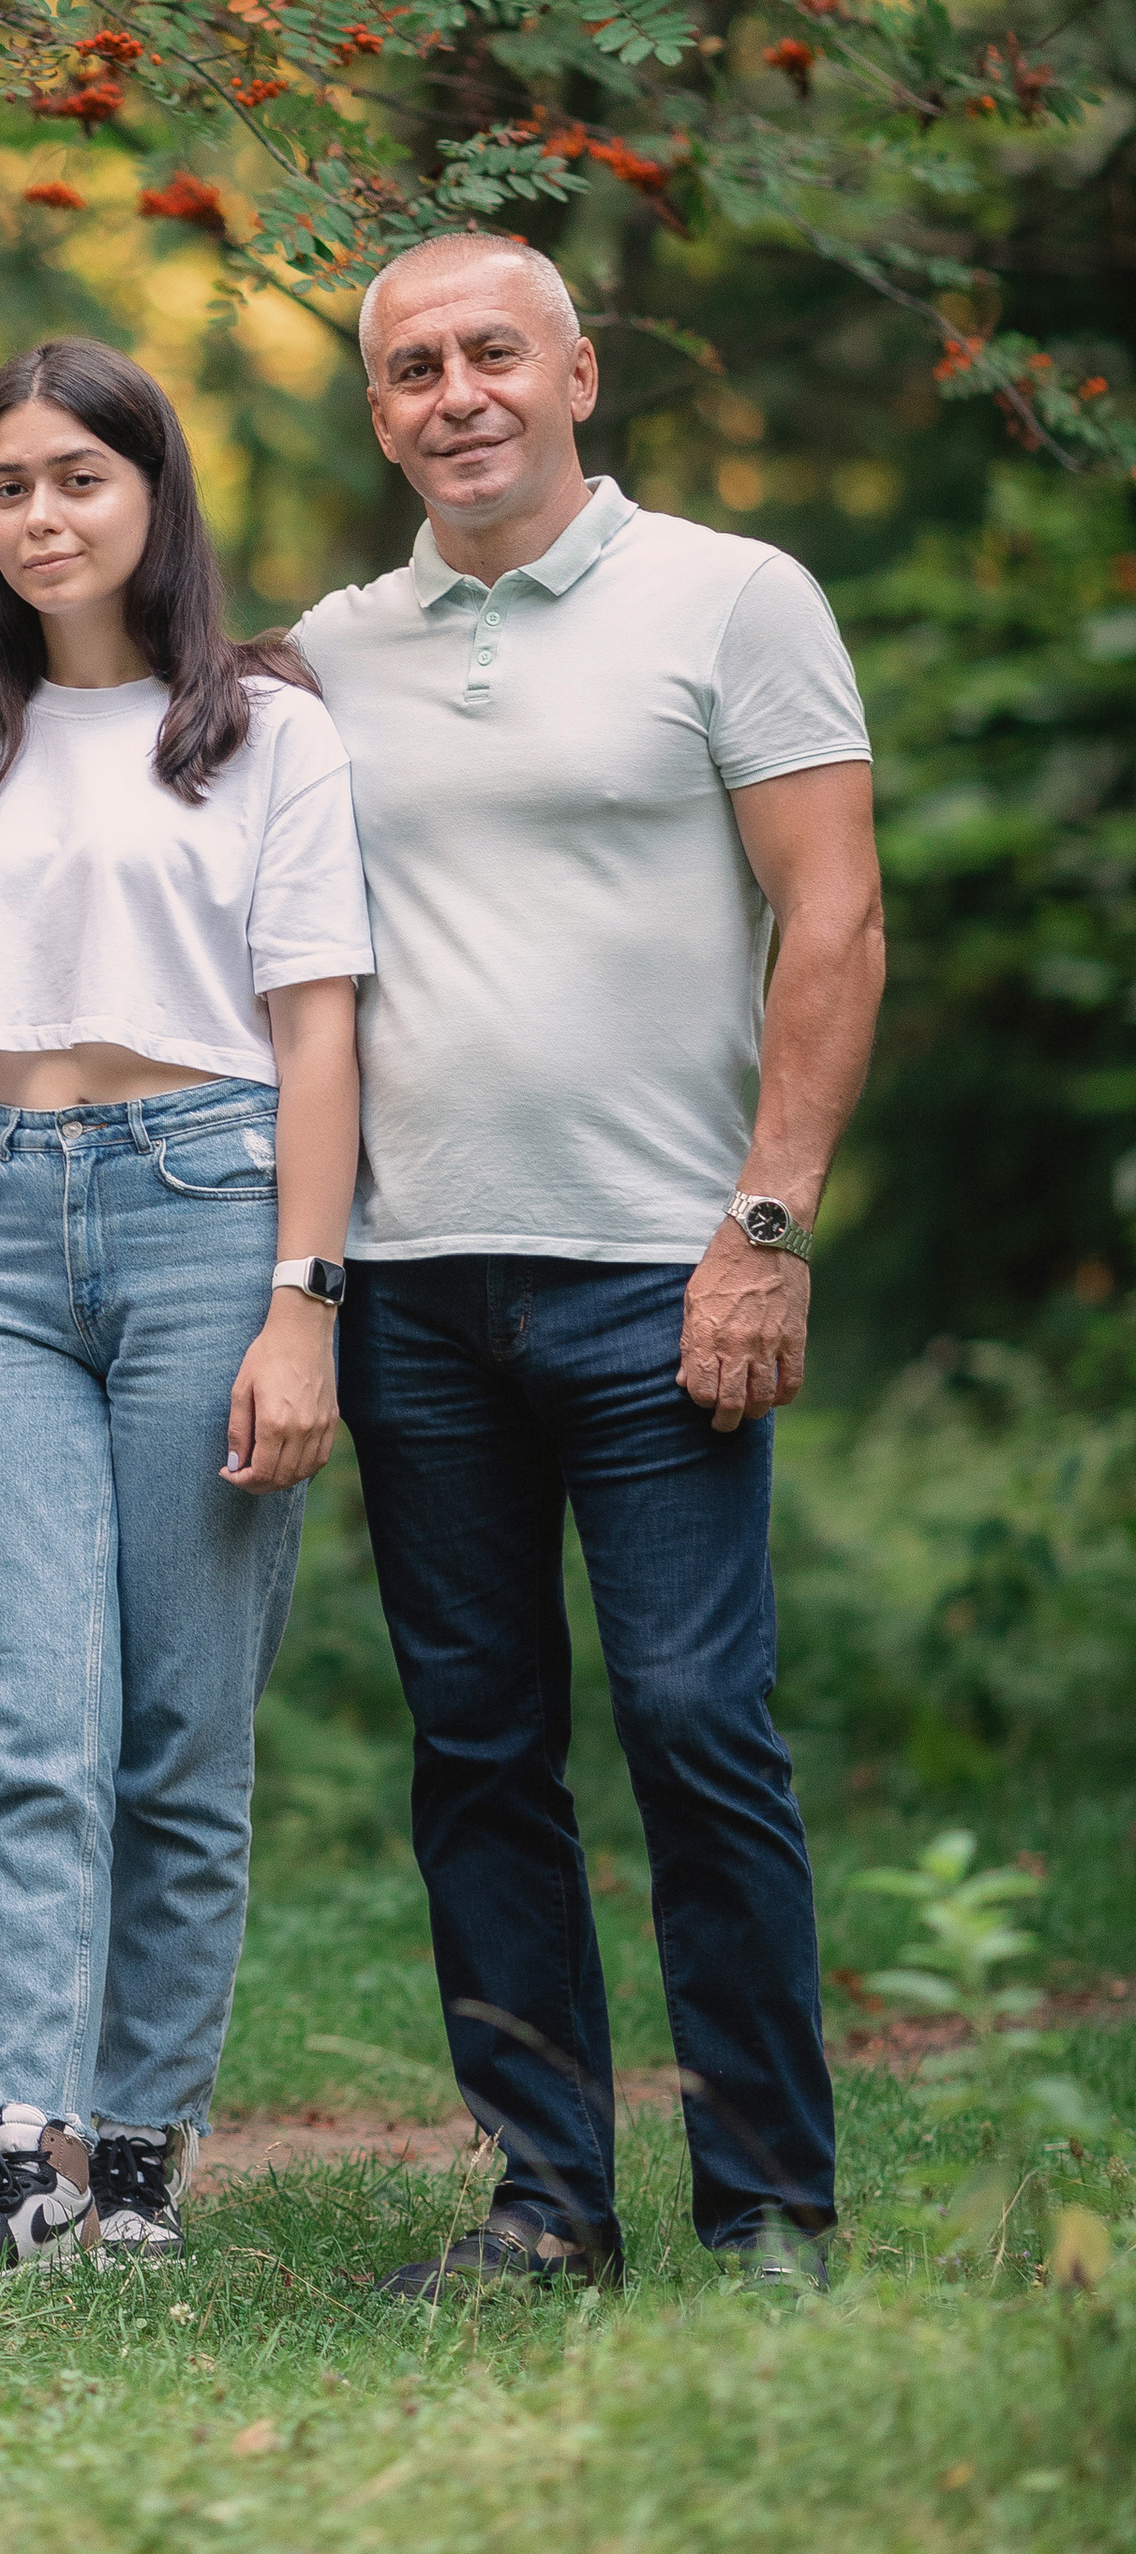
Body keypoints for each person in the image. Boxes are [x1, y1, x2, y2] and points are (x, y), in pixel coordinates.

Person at [298, 232, 883, 2294]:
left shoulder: (729, 598)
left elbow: (830, 917)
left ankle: (766, 2208)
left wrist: (766, 1227)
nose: (448, 395)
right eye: (405, 370)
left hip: (659, 1270)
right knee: (472, 1750)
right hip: (411, 1287)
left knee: (694, 1722)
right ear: (373, 410)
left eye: (485, 356)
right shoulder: (326, 650)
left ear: (571, 375)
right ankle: (546, 2198)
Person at [0, 342, 373, 2280]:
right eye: (6, 484)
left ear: (151, 497)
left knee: (179, 1732)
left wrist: (301, 1305)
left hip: (209, 1214)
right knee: (28, 1723)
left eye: (77, 475)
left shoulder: (261, 730)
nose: (40, 514)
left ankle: (142, 2160)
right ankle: (22, 2157)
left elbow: (318, 1027)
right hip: (13, 1231)